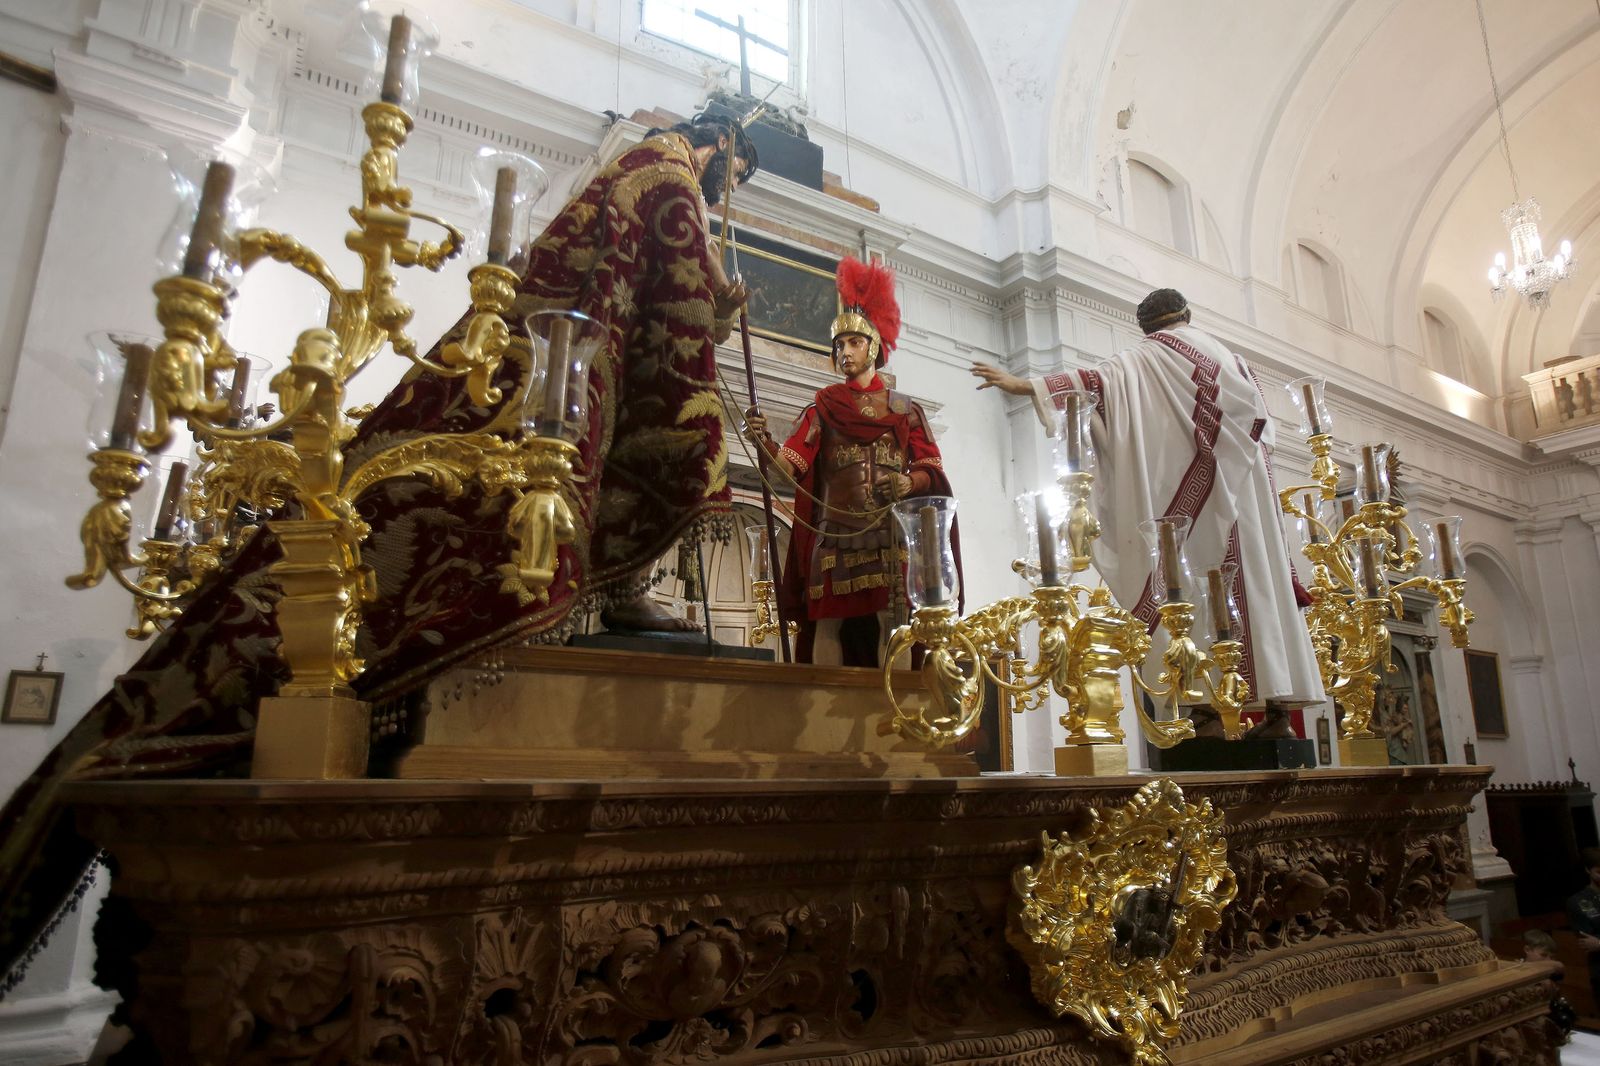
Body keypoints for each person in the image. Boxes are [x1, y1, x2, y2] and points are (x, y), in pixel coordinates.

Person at [0, 110, 758, 991]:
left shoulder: (625, 177)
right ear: (725, 152)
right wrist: (714, 280)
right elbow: (681, 297)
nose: (723, 188)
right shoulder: (668, 180)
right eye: (731, 173)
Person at [970, 288, 1323, 711]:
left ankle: (1204, 706)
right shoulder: (1232, 359)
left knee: (1189, 589)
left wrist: (1027, 385)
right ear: (1187, 314)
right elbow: (1260, 432)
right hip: (1247, 497)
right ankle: (1277, 706)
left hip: (1207, 501)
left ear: (1145, 326)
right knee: (1259, 587)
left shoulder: (1149, 356)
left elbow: (1095, 386)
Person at [743, 257, 959, 666]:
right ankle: (828, 708)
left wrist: (908, 483)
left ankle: (891, 706)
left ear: (873, 347)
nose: (844, 351)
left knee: (891, 622)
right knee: (828, 623)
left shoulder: (905, 409)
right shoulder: (823, 407)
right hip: (834, 531)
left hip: (888, 529)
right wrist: (763, 441)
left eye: (853, 343)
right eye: (839, 345)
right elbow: (791, 467)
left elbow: (932, 469)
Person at [1566, 847, 1600, 1005]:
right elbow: (1587, 940)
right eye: (1599, 872)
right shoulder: (1578, 901)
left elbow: (1596, 942)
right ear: (1588, 870)